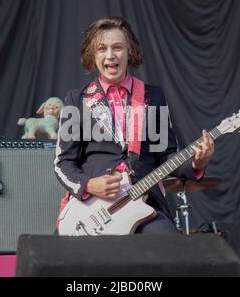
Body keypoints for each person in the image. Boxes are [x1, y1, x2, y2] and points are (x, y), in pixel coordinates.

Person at [54, 16, 214, 234]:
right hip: (91, 210)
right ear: (93, 55)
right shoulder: (76, 100)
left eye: (118, 47)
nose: (110, 55)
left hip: (145, 205)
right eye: (102, 49)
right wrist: (89, 184)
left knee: (171, 249)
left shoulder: (152, 96)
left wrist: (196, 164)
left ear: (130, 52)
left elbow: (166, 156)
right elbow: (63, 163)